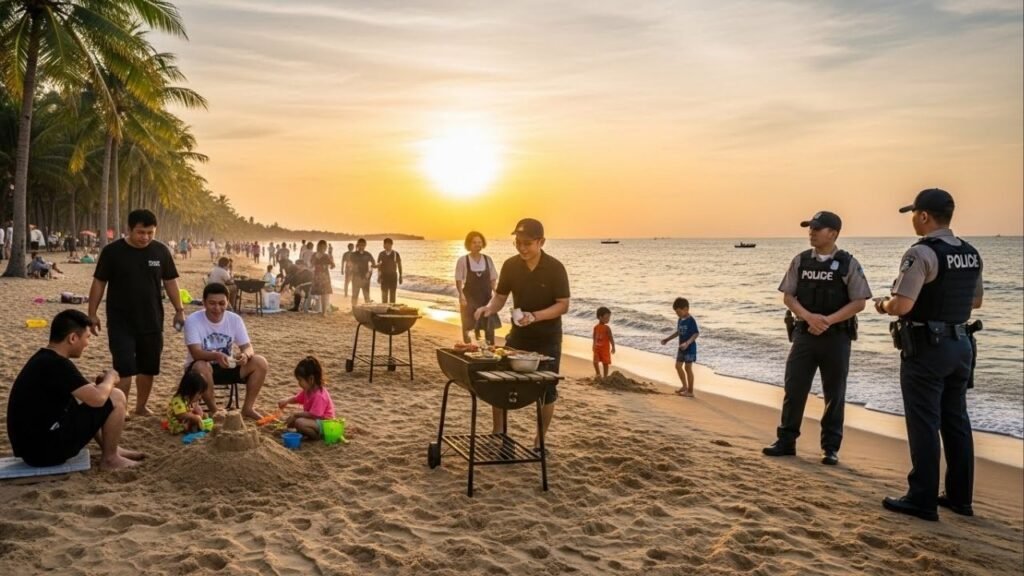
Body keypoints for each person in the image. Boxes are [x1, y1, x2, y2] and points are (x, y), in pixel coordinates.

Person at [876, 189, 983, 521]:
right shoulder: (970, 252)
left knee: (923, 422)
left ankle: (921, 498)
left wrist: (883, 305)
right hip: (961, 344)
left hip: (927, 347)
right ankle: (959, 497)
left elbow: (903, 305)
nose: (912, 219)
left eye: (913, 213)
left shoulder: (921, 253)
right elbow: (975, 302)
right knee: (956, 422)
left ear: (924, 216)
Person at [762, 211, 871, 466]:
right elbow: (788, 297)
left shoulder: (848, 263)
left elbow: (859, 302)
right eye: (810, 228)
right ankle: (786, 441)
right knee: (794, 388)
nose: (811, 232)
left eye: (817, 228)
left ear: (833, 233)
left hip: (837, 337)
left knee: (835, 393)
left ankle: (830, 448)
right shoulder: (800, 261)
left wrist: (827, 321)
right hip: (804, 334)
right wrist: (809, 317)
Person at [475, 218, 570, 451]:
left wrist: (535, 316)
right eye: (518, 243)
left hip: (548, 338)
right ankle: (498, 432)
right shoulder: (510, 265)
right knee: (500, 383)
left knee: (547, 390)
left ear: (541, 242)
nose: (522, 248)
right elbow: (500, 297)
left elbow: (563, 305)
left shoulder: (555, 268)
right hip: (518, 335)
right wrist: (488, 308)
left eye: (527, 243)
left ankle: (539, 441)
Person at [6, 310, 143, 470]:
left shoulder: (44, 359)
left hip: (32, 449)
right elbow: (97, 399)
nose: (87, 344)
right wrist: (111, 378)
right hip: (44, 452)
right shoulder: (57, 364)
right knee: (116, 396)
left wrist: (101, 385)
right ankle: (110, 458)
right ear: (72, 338)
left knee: (92, 398)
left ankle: (110, 448)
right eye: (87, 338)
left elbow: (87, 396)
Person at [88, 209, 184, 416]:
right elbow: (99, 282)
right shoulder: (112, 252)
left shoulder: (161, 251)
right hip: (120, 320)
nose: (146, 237)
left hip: (151, 320)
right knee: (124, 367)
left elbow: (170, 282)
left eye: (150, 233)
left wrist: (179, 310)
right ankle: (121, 408)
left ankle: (140, 406)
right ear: (129, 229)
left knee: (148, 367)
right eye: (141, 232)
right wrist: (92, 313)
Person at [183, 282, 268, 419]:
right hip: (199, 372)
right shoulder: (193, 320)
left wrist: (245, 355)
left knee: (260, 362)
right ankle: (215, 411)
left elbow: (247, 346)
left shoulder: (234, 319)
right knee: (201, 365)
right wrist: (216, 356)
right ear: (204, 303)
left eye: (222, 303)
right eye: (212, 303)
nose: (217, 308)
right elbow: (196, 353)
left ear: (228, 302)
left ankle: (247, 409)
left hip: (226, 365)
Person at [455, 231, 499, 344]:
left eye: (480, 242)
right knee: (468, 326)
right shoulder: (463, 260)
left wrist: (496, 293)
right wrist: (461, 296)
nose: (478, 245)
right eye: (474, 242)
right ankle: (469, 348)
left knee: (489, 326)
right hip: (469, 297)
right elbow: (459, 280)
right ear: (469, 244)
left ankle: (490, 349)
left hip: (486, 297)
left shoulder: (487, 259)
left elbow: (493, 278)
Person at [277, 356, 336, 440]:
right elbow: (297, 399)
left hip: (326, 424)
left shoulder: (320, 395)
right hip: (315, 421)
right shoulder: (308, 390)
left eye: (300, 380)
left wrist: (295, 414)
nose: (299, 383)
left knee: (299, 422)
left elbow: (314, 415)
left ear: (311, 379)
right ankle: (302, 432)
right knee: (293, 420)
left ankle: (316, 437)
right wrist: (286, 400)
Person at [660, 298, 699, 396]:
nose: (677, 314)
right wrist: (667, 339)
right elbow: (678, 332)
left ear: (686, 309)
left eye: (678, 312)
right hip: (681, 348)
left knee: (688, 368)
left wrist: (687, 343)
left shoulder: (691, 320)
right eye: (676, 312)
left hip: (690, 348)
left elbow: (696, 334)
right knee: (678, 366)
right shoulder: (680, 319)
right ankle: (684, 386)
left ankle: (690, 391)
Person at [311, 240, 336, 315]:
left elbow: (311, 264)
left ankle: (321, 310)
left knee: (321, 294)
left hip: (316, 275)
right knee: (324, 294)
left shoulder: (314, 254)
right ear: (325, 247)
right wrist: (331, 255)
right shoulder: (326, 256)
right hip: (324, 276)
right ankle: (323, 312)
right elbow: (333, 266)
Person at [349, 238, 376, 307]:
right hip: (356, 277)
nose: (362, 247)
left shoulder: (368, 254)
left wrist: (369, 274)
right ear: (358, 245)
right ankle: (353, 309)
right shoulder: (353, 255)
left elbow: (373, 265)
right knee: (355, 295)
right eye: (360, 245)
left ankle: (368, 310)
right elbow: (349, 265)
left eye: (363, 245)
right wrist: (353, 269)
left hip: (365, 278)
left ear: (365, 245)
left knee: (366, 296)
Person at [377, 238, 403, 304]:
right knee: (384, 294)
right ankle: (384, 308)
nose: (385, 245)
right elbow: (379, 266)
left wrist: (400, 276)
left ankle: (391, 309)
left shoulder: (395, 254)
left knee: (392, 294)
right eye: (384, 244)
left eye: (386, 244)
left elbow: (399, 265)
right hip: (384, 276)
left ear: (391, 245)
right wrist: (379, 276)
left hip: (393, 276)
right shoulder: (381, 254)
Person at [593, 306, 616, 378]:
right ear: (600, 317)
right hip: (597, 348)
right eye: (606, 318)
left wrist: (613, 346)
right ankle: (598, 374)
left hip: (605, 349)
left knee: (605, 363)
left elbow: (611, 338)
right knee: (595, 361)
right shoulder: (596, 327)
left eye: (609, 317)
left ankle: (605, 376)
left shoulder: (607, 328)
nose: (608, 319)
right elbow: (594, 337)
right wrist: (593, 345)